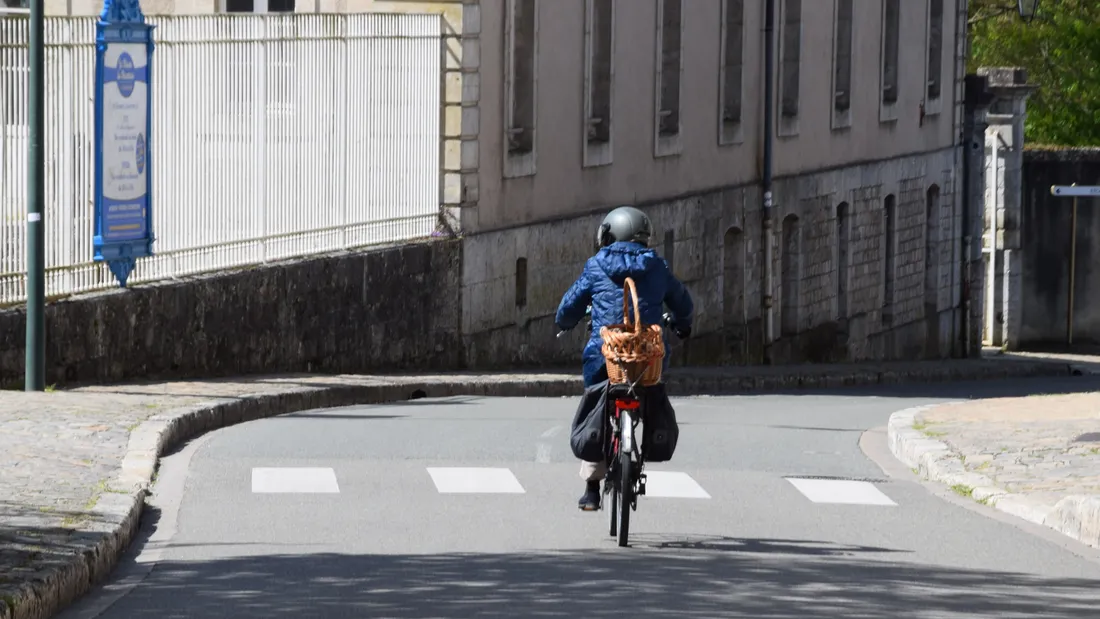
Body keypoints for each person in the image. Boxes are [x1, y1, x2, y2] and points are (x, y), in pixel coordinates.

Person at [555, 205, 694, 511]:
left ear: (608, 233)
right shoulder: (657, 266)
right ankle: (645, 438)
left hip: (605, 357)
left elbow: (569, 306)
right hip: (646, 358)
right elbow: (683, 302)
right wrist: (683, 324)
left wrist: (563, 322)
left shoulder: (596, 265)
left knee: (596, 403)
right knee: (652, 388)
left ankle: (591, 488)